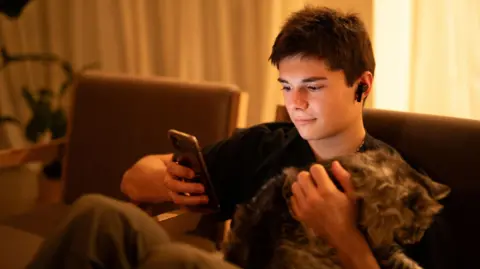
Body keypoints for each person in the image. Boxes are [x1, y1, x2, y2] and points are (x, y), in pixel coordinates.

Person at [26, 6, 451, 269]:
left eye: (314, 86)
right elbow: (134, 180)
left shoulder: (401, 187)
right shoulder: (265, 145)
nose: (295, 102)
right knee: (99, 215)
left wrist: (343, 235)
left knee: (176, 260)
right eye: (286, 85)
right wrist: (169, 178)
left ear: (362, 86)